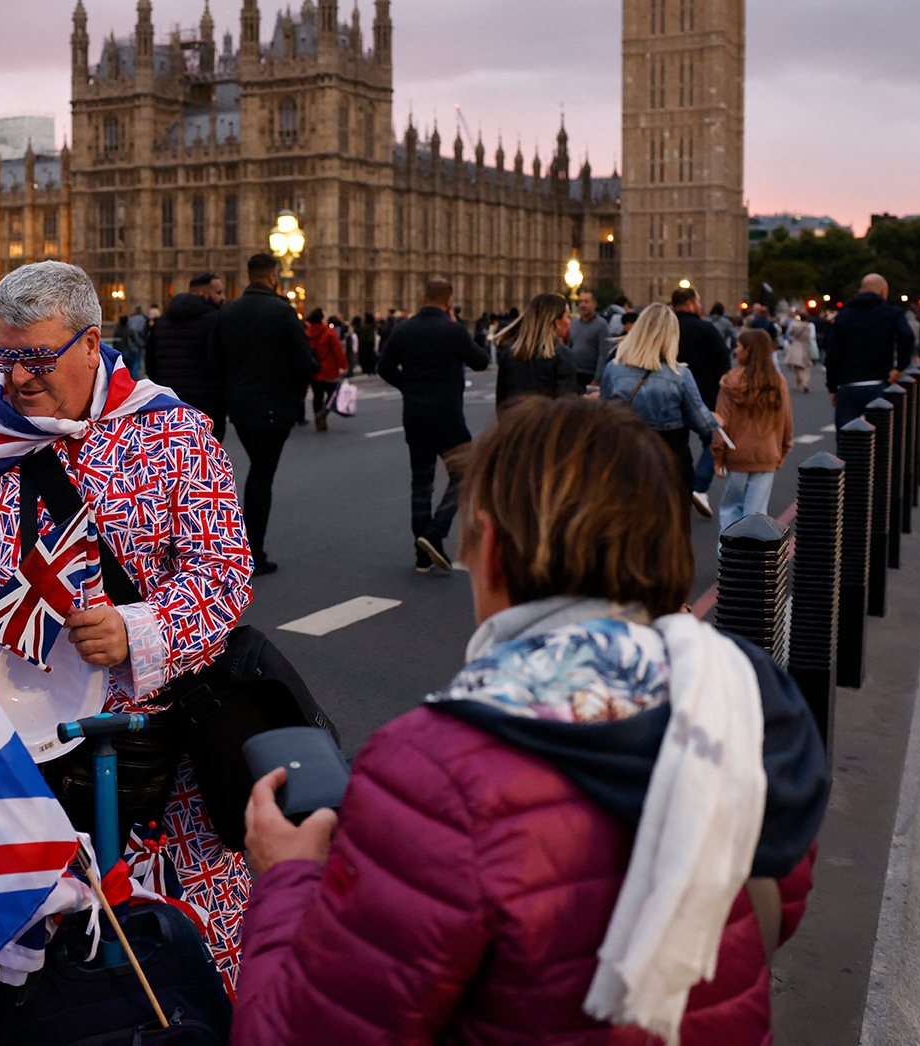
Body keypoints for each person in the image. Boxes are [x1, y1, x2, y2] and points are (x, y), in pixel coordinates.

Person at [233, 396, 827, 1046]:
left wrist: (288, 878)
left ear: (490, 549)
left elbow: (303, 1032)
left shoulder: (437, 769)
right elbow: (775, 908)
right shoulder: (740, 693)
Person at [0, 261, 257, 985]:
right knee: (31, 977)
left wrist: (137, 628)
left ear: (91, 343)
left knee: (163, 970)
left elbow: (223, 575)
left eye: (35, 359)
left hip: (149, 768)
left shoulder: (175, 437)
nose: (15, 380)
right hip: (16, 765)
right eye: (0, 358)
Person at [209, 252, 316, 575]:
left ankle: (239, 544)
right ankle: (252, 550)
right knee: (261, 476)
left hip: (240, 407)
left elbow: (213, 362)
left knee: (257, 471)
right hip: (273, 407)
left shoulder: (228, 313)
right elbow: (306, 362)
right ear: (272, 277)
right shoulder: (282, 311)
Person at [377, 276, 490, 574]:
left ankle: (423, 556)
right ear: (449, 301)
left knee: (421, 482)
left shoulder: (403, 330)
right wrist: (466, 329)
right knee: (465, 475)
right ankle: (435, 531)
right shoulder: (453, 331)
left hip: (415, 416)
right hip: (448, 417)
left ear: (423, 297)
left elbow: (384, 367)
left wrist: (407, 388)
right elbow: (481, 361)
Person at [601, 301, 719, 498]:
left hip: (626, 459)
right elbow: (702, 423)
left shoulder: (614, 369)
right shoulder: (679, 374)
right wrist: (716, 420)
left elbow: (603, 415)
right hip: (670, 461)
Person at [713, 329, 794, 542]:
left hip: (736, 455)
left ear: (749, 351)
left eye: (739, 346)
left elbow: (722, 423)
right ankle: (753, 562)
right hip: (767, 454)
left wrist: (718, 455)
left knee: (731, 509)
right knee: (756, 513)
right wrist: (783, 449)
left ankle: (727, 557)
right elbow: (786, 420)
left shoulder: (730, 380)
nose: (735, 349)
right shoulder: (777, 381)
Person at [823, 273, 916, 430]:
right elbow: (906, 336)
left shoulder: (843, 316)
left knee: (847, 441)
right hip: (879, 381)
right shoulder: (892, 313)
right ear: (883, 291)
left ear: (861, 291)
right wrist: (900, 367)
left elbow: (832, 354)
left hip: (848, 384)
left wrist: (832, 387)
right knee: (881, 440)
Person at [672, 287, 731, 517]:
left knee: (676, 443)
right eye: (698, 300)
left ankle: (674, 490)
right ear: (689, 304)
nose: (700, 305)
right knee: (714, 441)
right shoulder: (706, 329)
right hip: (704, 394)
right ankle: (699, 486)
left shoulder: (667, 328)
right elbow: (723, 363)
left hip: (669, 392)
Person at [144, 272, 227, 434]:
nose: (223, 297)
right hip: (208, 405)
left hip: (170, 404)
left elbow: (150, 363)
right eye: (218, 293)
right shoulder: (216, 321)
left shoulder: (162, 322)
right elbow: (220, 363)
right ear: (203, 293)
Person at [492, 292, 575, 407]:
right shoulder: (563, 355)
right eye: (567, 316)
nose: (569, 321)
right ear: (556, 321)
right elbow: (566, 406)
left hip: (515, 422)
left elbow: (501, 402)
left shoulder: (510, 354)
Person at [303, 308, 346, 431]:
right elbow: (338, 351)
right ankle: (323, 414)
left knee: (317, 395)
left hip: (314, 369)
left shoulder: (307, 333)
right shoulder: (329, 332)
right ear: (321, 319)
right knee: (333, 395)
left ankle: (318, 414)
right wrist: (344, 365)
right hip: (329, 369)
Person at [567, 288, 611, 393]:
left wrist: (597, 379)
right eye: (580, 302)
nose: (583, 305)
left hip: (590, 375)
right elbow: (569, 347)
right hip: (574, 373)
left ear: (595, 304)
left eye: (586, 302)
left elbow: (603, 354)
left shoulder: (601, 325)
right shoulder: (574, 324)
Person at [782, 311, 819, 392]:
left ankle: (802, 383)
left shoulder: (794, 324)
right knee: (806, 366)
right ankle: (804, 382)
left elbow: (789, 333)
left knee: (797, 366)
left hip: (796, 345)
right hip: (806, 345)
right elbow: (812, 336)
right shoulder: (810, 325)